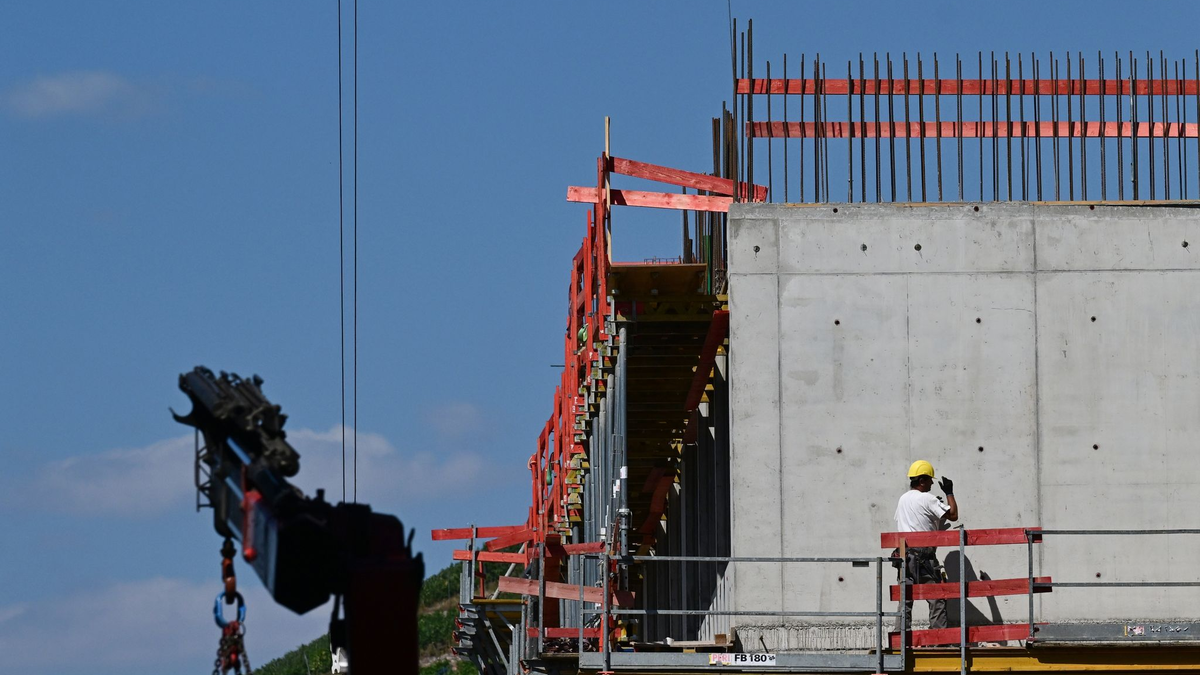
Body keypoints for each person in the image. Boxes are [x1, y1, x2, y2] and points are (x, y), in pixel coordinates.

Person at [894, 460, 958, 631]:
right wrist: (949, 492)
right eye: (930, 479)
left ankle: (901, 638)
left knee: (905, 599)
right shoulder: (928, 499)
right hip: (924, 557)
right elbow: (953, 515)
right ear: (922, 480)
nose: (932, 483)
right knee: (937, 598)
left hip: (904, 556)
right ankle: (938, 640)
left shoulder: (903, 499)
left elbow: (915, 522)